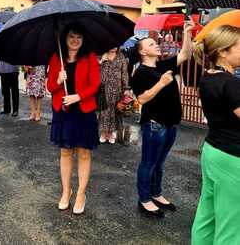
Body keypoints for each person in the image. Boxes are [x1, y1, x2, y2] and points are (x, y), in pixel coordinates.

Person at [131, 19, 194, 218]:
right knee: (148, 163)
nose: (156, 44)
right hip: (154, 125)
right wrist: (161, 83)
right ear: (142, 52)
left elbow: (185, 54)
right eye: (151, 44)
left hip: (171, 123)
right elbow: (142, 99)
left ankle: (156, 193)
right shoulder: (140, 73)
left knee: (160, 163)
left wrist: (187, 33)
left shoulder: (163, 64)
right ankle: (144, 198)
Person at [191, 25, 240, 245]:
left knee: (207, 215)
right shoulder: (230, 83)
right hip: (232, 158)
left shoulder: (208, 77)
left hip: (212, 151)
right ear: (223, 51)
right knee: (231, 226)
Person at [47, 24, 100, 215]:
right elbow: (50, 88)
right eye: (71, 36)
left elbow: (95, 84)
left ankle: (81, 194)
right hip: (63, 112)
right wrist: (59, 80)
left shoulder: (90, 56)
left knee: (84, 153)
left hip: (84, 111)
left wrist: (78, 96)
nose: (75, 40)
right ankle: (66, 191)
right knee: (66, 153)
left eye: (79, 37)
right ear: (65, 38)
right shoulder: (56, 58)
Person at [97, 48, 130, 144]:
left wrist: (126, 88)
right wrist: (101, 62)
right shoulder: (101, 56)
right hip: (103, 89)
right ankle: (103, 133)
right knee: (104, 112)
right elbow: (94, 71)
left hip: (117, 90)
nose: (113, 47)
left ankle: (111, 133)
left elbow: (124, 74)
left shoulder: (121, 56)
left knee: (115, 112)